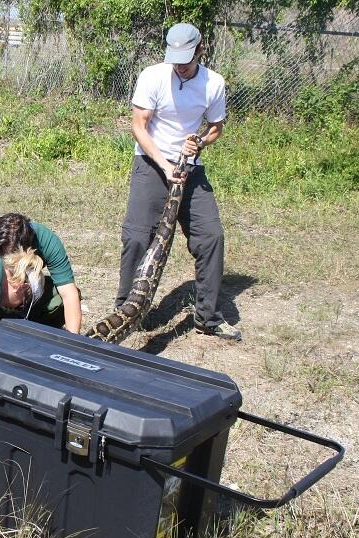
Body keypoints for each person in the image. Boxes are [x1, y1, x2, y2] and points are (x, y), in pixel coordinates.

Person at [116, 22, 241, 341]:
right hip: (151, 163)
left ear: (201, 50)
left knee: (211, 236)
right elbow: (139, 127)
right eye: (175, 59)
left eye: (186, 58)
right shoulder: (152, 76)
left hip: (191, 170)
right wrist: (164, 163)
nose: (180, 66)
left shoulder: (214, 83)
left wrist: (199, 141)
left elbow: (215, 127)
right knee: (137, 238)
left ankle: (208, 318)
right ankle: (125, 312)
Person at [0, 213, 82, 333]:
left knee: (60, 296)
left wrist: (73, 342)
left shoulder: (45, 240)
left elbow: (69, 294)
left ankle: (39, 330)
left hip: (32, 297)